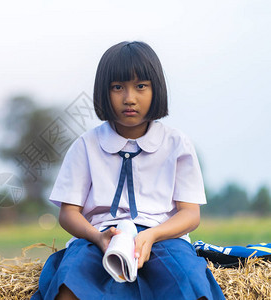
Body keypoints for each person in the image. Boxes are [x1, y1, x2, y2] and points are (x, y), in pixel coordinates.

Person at [31, 41, 225, 300]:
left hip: (163, 237)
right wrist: (98, 237)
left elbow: (190, 214)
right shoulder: (86, 146)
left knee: (189, 283)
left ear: (156, 90)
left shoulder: (176, 144)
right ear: (103, 92)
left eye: (141, 86)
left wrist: (153, 234)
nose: (129, 98)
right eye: (118, 87)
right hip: (99, 237)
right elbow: (68, 213)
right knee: (68, 285)